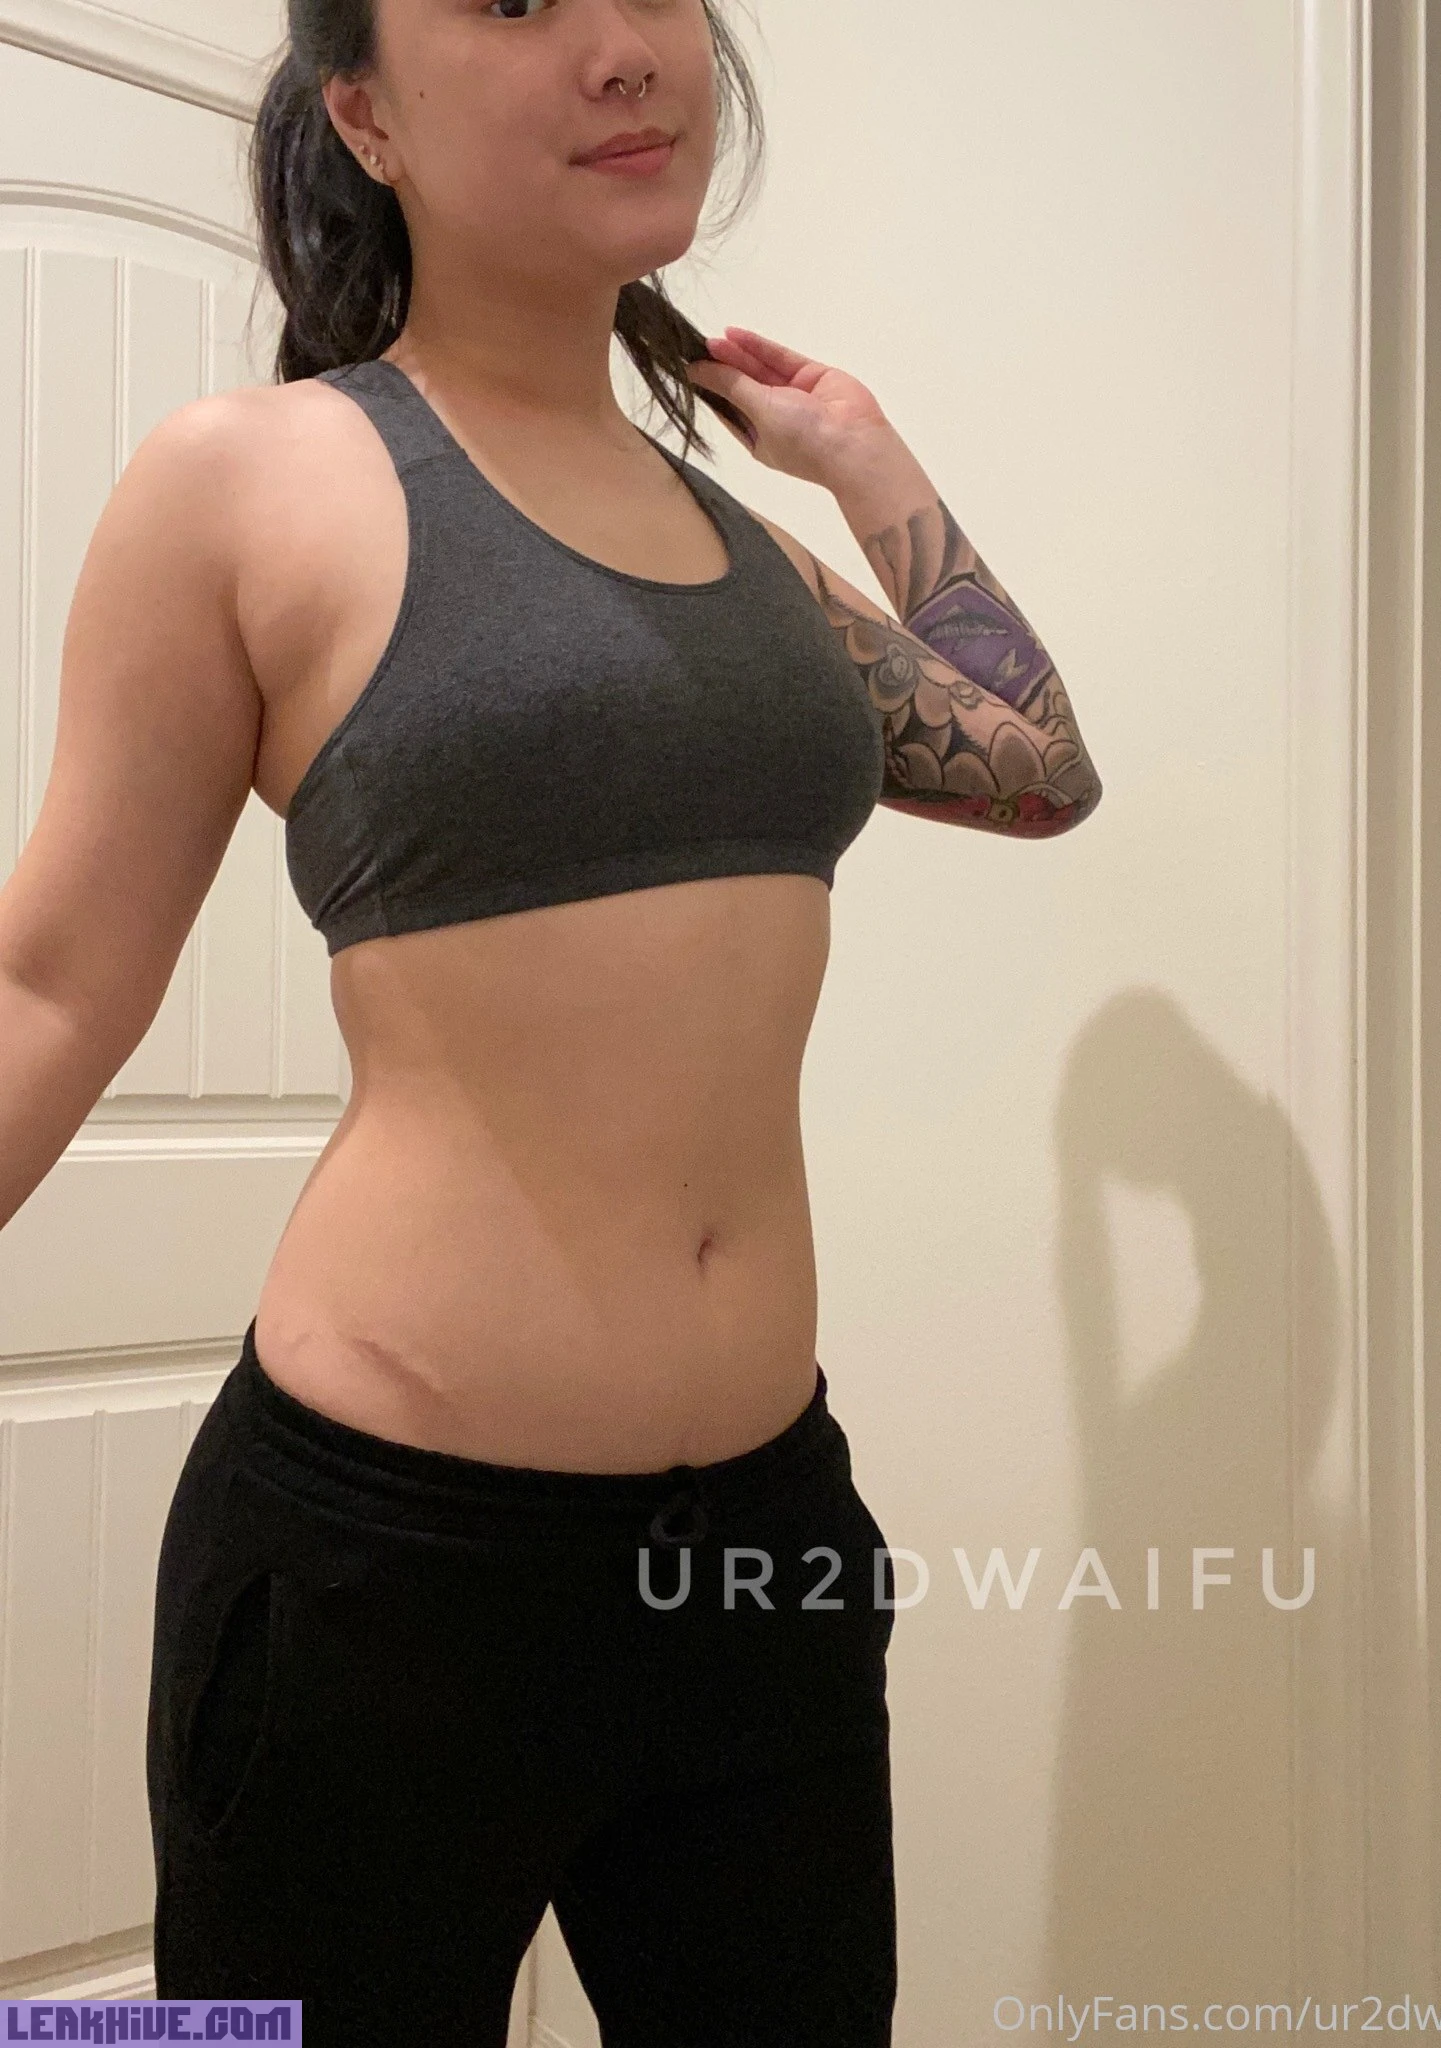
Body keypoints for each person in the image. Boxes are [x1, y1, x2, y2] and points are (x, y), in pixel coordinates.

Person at [0, 0, 1103, 2040]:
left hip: (760, 1550)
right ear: (364, 113)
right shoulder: (251, 480)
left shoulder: (751, 560)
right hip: (383, 1576)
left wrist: (868, 462)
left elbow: (1040, 769)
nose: (626, 48)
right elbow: (44, 985)